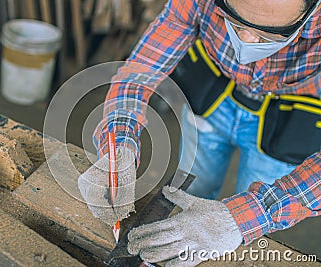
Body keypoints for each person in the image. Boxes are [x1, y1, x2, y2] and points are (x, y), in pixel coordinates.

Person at [78, 0, 321, 265]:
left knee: (245, 222)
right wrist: (119, 142)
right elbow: (141, 71)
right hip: (214, 93)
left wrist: (250, 216)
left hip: (290, 114)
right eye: (235, 22)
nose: (248, 39)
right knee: (192, 186)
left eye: (268, 35)